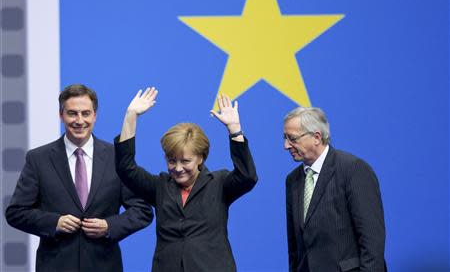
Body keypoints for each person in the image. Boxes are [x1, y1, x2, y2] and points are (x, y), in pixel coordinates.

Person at [5, 84, 153, 272]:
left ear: (95, 115)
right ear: (61, 115)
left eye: (85, 113)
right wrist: (54, 222)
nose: (79, 120)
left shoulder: (116, 157)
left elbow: (142, 210)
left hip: (104, 265)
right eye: (72, 113)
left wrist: (109, 226)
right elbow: (16, 212)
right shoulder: (38, 159)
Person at [114, 87, 257, 272]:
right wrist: (131, 116)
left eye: (186, 161)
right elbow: (125, 168)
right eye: (172, 161)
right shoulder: (160, 186)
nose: (178, 168)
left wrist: (235, 131)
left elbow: (248, 177)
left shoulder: (219, 183)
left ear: (201, 158)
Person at [284, 107, 386, 272]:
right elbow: (295, 248)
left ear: (316, 137)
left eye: (292, 139)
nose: (286, 146)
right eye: (285, 138)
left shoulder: (353, 170)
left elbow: (372, 240)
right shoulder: (292, 180)